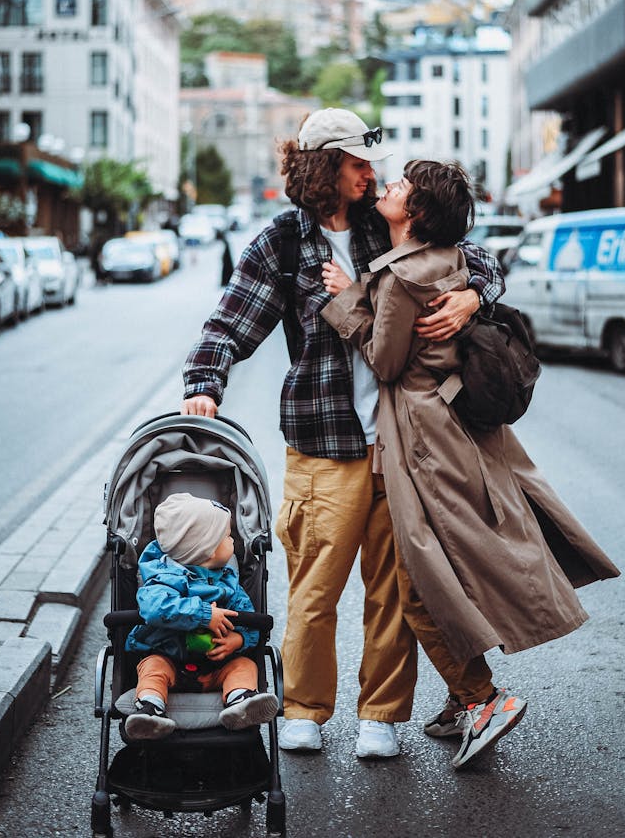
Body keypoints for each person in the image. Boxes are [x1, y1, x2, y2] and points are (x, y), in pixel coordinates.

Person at [181, 109, 506, 760]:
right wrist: (204, 383)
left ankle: (380, 716)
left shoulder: (380, 226)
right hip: (320, 444)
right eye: (358, 162)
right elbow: (229, 321)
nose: (371, 171)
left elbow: (471, 254)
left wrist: (476, 292)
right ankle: (303, 706)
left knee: (390, 590)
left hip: (394, 444)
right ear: (325, 166)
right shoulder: (280, 242)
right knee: (315, 586)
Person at [320, 159, 620, 768]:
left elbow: (384, 361)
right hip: (446, 431)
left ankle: (482, 700)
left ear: (419, 213)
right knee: (440, 567)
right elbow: (475, 264)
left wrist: (348, 299)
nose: (389, 186)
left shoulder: (404, 277)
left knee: (422, 580)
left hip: (423, 441)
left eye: (402, 186)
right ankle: (468, 699)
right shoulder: (447, 258)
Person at [124, 492, 279, 740]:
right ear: (206, 550)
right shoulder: (162, 580)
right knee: (153, 667)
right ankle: (151, 710)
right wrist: (204, 614)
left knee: (244, 665)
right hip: (169, 661)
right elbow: (154, 607)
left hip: (217, 667)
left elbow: (249, 618)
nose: (232, 541)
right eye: (227, 536)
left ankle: (241, 702)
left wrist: (237, 640)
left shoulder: (228, 583)